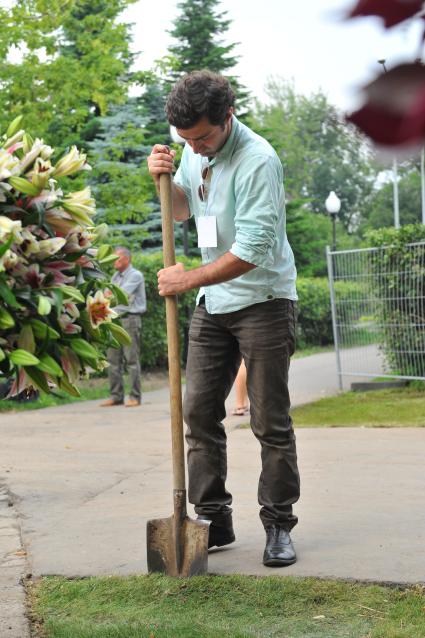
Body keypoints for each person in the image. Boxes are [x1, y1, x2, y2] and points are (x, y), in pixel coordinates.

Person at [147, 70, 299, 567]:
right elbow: (183, 212)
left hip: (264, 300)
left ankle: (279, 525)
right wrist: (162, 180)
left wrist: (188, 278)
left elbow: (252, 249)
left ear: (228, 116)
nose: (195, 146)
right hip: (213, 305)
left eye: (203, 137)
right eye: (186, 139)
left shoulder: (259, 160)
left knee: (268, 419)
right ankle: (213, 519)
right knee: (197, 412)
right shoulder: (194, 150)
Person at [101, 247, 146, 408]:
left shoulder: (135, 275)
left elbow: (119, 295)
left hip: (130, 320)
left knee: (131, 360)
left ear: (127, 259)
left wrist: (110, 296)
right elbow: (107, 296)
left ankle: (135, 396)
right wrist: (109, 296)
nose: (114, 261)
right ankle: (116, 396)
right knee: (113, 360)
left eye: (117, 258)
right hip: (114, 320)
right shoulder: (115, 276)